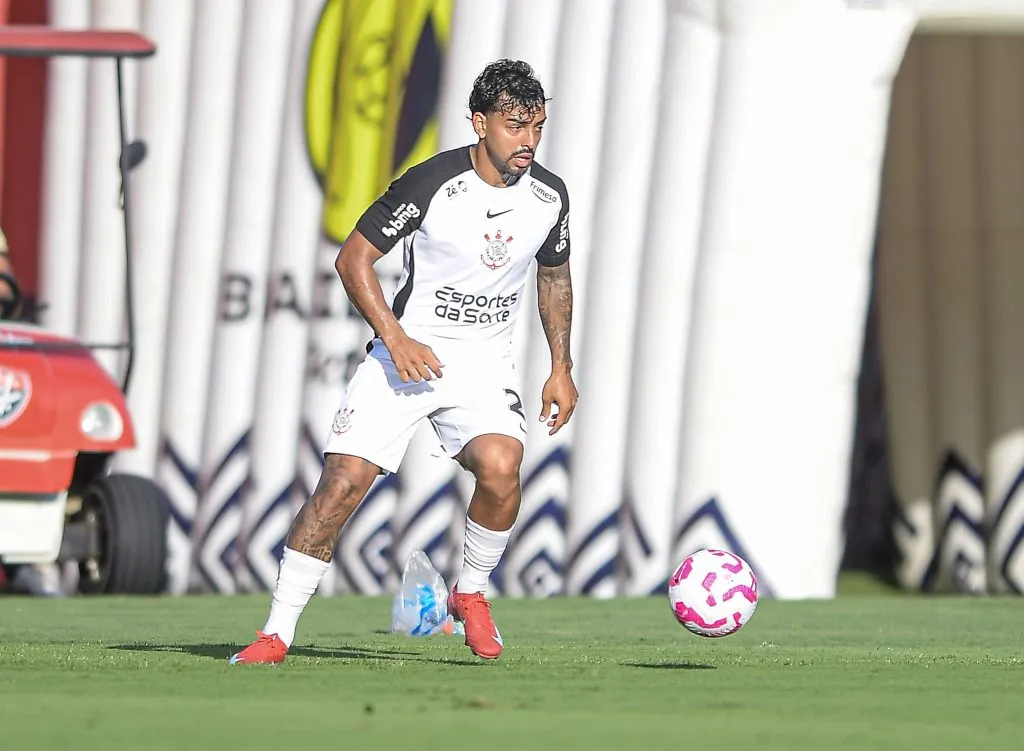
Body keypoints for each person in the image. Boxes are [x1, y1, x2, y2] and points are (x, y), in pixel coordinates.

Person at [230, 59, 577, 664]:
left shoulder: (550, 195)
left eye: (537, 127)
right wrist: (395, 339)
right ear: (480, 123)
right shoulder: (432, 181)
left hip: (482, 364)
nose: (528, 141)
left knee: (503, 465)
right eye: (515, 126)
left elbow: (555, 276)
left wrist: (561, 367)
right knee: (341, 486)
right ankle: (275, 634)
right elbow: (353, 260)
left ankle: (470, 594)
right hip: (405, 354)